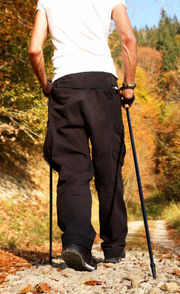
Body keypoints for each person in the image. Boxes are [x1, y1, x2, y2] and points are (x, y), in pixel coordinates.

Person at [29, 0, 137, 271]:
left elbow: (34, 49)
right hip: (102, 84)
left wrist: (46, 85)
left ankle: (76, 242)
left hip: (65, 85)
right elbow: (128, 38)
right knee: (108, 164)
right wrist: (129, 86)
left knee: (72, 169)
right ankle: (113, 248)